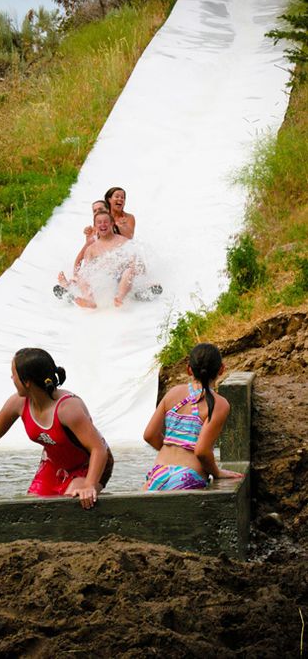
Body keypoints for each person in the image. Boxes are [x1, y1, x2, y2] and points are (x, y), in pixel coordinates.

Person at [0, 348, 113, 509]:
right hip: (53, 464)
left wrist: (89, 485)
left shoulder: (67, 409)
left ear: (26, 382)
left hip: (91, 463)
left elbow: (98, 449)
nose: (11, 377)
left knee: (71, 503)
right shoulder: (17, 403)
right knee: (33, 507)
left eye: (14, 374)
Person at [143, 343, 244, 491]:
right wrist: (217, 472)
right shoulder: (219, 404)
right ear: (222, 369)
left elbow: (149, 435)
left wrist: (173, 449)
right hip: (189, 476)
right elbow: (201, 451)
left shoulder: (173, 393)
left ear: (189, 369)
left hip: (159, 471)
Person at [75, 210, 135, 308]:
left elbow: (134, 262)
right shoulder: (91, 249)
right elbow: (87, 270)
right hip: (104, 281)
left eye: (106, 221)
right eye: (99, 222)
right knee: (82, 275)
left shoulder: (123, 241)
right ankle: (90, 300)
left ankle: (119, 298)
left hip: (122, 280)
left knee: (129, 271)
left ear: (112, 223)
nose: (103, 224)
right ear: (95, 226)